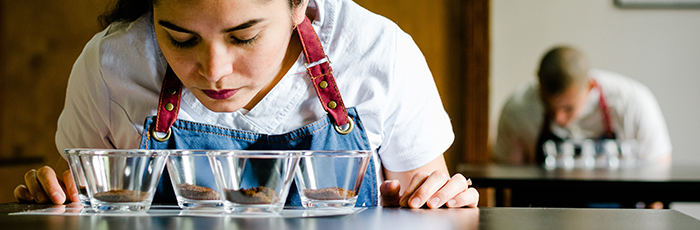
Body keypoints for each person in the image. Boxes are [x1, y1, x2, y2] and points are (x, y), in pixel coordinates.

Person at [13, 0, 479, 208]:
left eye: (245, 36)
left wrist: (440, 203)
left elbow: (426, 196)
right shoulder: (111, 64)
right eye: (179, 38)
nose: (214, 70)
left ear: (300, 7)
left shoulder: (376, 52)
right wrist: (55, 199)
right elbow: (80, 203)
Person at [492, 46, 672, 165]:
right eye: (549, 106)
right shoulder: (517, 109)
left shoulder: (632, 103)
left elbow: (659, 172)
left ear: (590, 87)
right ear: (538, 82)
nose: (558, 118)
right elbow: (506, 179)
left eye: (568, 108)